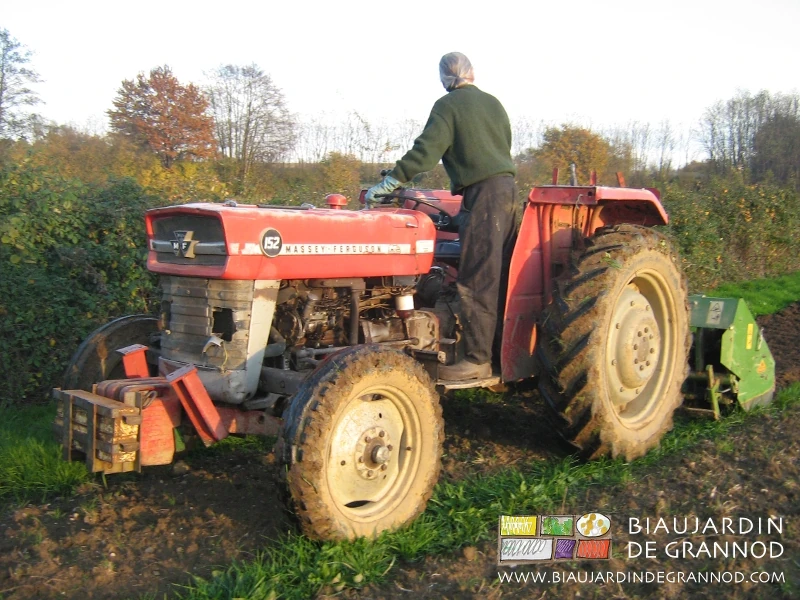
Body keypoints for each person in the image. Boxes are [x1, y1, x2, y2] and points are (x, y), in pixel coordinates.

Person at [365, 52, 519, 381]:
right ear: (471, 73)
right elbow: (495, 150)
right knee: (495, 276)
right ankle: (491, 352)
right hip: (504, 193)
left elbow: (426, 152)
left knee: (477, 280)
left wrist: (393, 180)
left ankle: (477, 360)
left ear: (444, 78)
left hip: (483, 196)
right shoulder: (494, 104)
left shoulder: (448, 106)